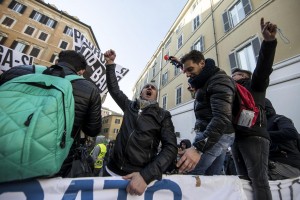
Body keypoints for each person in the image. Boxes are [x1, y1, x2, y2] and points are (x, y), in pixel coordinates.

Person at [0, 50, 102, 177]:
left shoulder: (18, 71)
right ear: (81, 71)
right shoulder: (90, 89)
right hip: (51, 164)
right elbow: (93, 130)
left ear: (57, 62)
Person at [103, 49, 177, 196]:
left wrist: (146, 175)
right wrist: (110, 64)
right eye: (146, 87)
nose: (149, 87)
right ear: (141, 93)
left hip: (137, 178)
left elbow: (170, 148)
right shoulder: (129, 106)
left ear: (156, 95)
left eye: (153, 88)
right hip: (111, 170)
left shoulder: (163, 115)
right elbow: (114, 90)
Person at [231, 18, 277, 200]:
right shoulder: (228, 91)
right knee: (243, 181)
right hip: (236, 139)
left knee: (259, 180)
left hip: (254, 136)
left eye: (239, 75)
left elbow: (263, 68)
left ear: (247, 76)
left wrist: (269, 42)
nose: (234, 77)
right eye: (232, 75)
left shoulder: (255, 84)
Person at [174, 53, 235, 175]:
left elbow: (222, 118)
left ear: (202, 63)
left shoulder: (219, 80)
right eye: (185, 71)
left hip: (216, 135)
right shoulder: (206, 82)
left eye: (190, 69)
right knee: (211, 178)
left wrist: (197, 148)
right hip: (214, 135)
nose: (187, 74)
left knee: (190, 174)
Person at [265, 98, 300, 180]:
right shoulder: (258, 126)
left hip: (288, 165)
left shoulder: (279, 119)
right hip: (273, 164)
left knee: (258, 176)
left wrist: (263, 135)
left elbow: (291, 133)